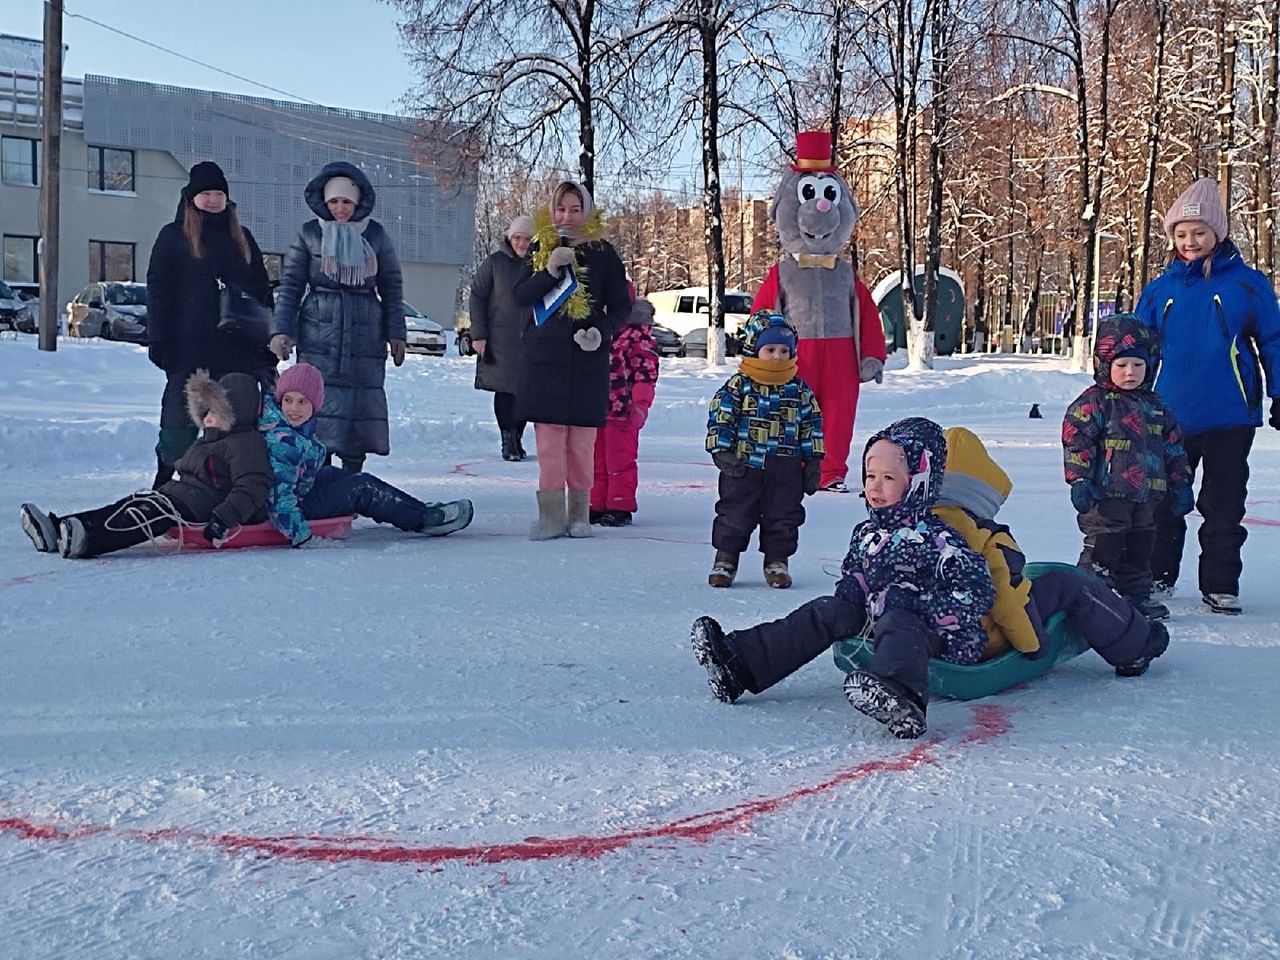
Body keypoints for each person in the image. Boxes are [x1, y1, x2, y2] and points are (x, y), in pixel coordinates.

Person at [691, 417, 993, 739]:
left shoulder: (940, 541)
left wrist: (920, 605)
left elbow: (977, 592)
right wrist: (854, 585)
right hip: (878, 618)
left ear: (919, 481)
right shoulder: (867, 532)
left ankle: (903, 697)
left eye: (888, 477)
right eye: (870, 475)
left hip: (933, 634)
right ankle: (742, 663)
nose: (875, 486)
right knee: (827, 610)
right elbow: (856, 570)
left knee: (900, 621)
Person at [1134, 177, 1280, 615]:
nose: (1190, 241)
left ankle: (1220, 584)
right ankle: (1158, 578)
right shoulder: (1161, 290)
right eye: (1181, 233)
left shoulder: (1248, 285)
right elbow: (1138, 348)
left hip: (1229, 415)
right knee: (1163, 502)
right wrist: (1127, 398)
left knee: (1223, 504)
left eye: (1199, 232)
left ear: (1218, 233)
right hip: (1169, 415)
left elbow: (1273, 340)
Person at [934, 426, 1170, 677]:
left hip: (935, 639)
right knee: (1070, 584)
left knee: (1031, 577)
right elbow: (1006, 602)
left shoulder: (914, 529)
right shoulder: (987, 537)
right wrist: (1034, 646)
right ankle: (1136, 645)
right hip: (981, 641)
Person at [751, 130, 887, 493]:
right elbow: (762, 314)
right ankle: (792, 467)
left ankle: (830, 471)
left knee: (839, 413)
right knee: (794, 409)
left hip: (842, 353)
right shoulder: (781, 272)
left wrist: (872, 354)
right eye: (809, 195)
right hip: (797, 353)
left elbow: (868, 314)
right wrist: (760, 354)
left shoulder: (844, 272)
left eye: (829, 196)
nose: (822, 207)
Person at [20, 371, 271, 559]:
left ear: (238, 413)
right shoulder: (210, 438)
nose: (207, 418)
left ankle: (88, 539)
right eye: (205, 412)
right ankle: (57, 528)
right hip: (178, 496)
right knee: (131, 505)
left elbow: (252, 486)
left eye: (215, 412)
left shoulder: (245, 444)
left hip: (201, 508)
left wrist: (223, 518)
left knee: (142, 519)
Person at [512, 180, 631, 540]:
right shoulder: (539, 246)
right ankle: (550, 516)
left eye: (575, 209)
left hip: (586, 360)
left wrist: (602, 332)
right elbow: (520, 297)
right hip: (544, 361)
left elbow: (621, 305)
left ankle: (579, 514)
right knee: (549, 445)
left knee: (581, 445)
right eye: (561, 209)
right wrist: (548, 271)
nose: (567, 217)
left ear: (587, 211)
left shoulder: (604, 253)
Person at [269, 162, 406, 474]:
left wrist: (396, 333)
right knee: (317, 404)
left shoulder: (375, 234)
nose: (340, 209)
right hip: (319, 330)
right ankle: (318, 475)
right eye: (334, 202)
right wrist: (281, 331)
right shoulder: (309, 234)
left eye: (346, 202)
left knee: (360, 408)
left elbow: (392, 286)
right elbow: (290, 285)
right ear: (324, 202)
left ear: (357, 202)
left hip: (365, 332)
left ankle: (352, 478)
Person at [145, 161, 275, 489]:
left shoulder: (242, 238)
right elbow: (158, 291)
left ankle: (226, 488)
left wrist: (267, 343)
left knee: (235, 427)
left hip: (238, 353)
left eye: (219, 193)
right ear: (192, 198)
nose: (214, 199)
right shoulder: (173, 237)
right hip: (189, 352)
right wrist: (160, 342)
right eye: (206, 193)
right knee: (177, 426)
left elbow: (262, 292)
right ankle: (164, 487)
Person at [1062, 314, 1193, 620]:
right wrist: (1079, 480)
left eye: (1138, 365)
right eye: (1122, 366)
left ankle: (1137, 597)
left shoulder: (1156, 406)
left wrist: (1181, 483)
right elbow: (1077, 442)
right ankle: (1090, 596)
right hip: (1107, 495)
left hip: (1147, 496)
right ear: (1105, 365)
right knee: (1103, 549)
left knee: (1140, 549)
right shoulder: (1094, 403)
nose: (1130, 373)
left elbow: (1173, 448)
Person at [259, 363, 473, 546]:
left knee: (334, 474)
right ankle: (423, 519)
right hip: (290, 508)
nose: (294, 408)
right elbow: (279, 497)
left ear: (315, 404)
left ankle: (413, 507)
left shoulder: (293, 429)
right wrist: (302, 536)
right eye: (288, 400)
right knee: (362, 487)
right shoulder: (284, 442)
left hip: (300, 491)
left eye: (302, 401)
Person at [705, 311, 824, 589]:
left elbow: (811, 425)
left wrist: (814, 459)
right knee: (735, 513)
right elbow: (722, 418)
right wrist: (722, 450)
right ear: (753, 349)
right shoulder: (739, 386)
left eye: (785, 350)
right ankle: (726, 559)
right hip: (743, 465)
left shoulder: (799, 390)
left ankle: (777, 561)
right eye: (770, 349)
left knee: (783, 515)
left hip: (786, 467)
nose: (778, 357)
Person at [590, 297, 660, 526]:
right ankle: (596, 502)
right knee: (595, 459)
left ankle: (620, 504)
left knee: (620, 459)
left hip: (623, 409)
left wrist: (641, 404)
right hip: (594, 407)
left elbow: (646, 371)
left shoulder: (637, 334)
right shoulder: (596, 330)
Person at [470, 215, 534, 462]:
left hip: (530, 339)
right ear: (509, 238)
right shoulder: (495, 263)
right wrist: (479, 334)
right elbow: (477, 296)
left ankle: (518, 435)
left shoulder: (539, 265)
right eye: (517, 238)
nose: (522, 243)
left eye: (527, 239)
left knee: (526, 392)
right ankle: (507, 439)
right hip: (499, 338)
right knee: (505, 391)